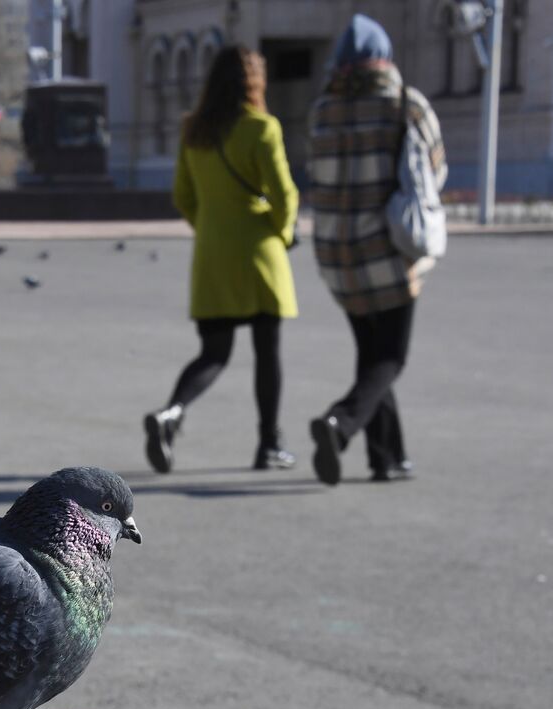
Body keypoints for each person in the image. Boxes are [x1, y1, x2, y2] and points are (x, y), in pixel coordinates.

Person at [143, 45, 300, 474]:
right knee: (267, 352)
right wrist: (283, 232)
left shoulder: (194, 131)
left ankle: (171, 412)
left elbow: (183, 196)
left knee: (214, 352)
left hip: (212, 254)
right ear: (255, 81)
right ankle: (269, 444)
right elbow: (285, 194)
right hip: (259, 253)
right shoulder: (262, 128)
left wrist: (210, 228)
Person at [306, 14, 446, 485]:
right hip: (388, 254)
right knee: (391, 358)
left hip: (337, 258)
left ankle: (388, 457)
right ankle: (340, 423)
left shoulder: (322, 109)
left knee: (371, 353)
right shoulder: (406, 104)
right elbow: (433, 174)